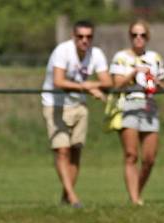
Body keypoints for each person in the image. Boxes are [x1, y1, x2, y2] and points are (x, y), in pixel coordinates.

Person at [41, 20, 112, 208]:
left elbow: (107, 81)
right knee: (62, 150)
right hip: (55, 104)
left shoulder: (96, 54)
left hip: (79, 105)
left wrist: (90, 86)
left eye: (89, 37)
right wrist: (86, 87)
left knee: (76, 151)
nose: (84, 41)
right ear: (73, 37)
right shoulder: (62, 51)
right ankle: (73, 198)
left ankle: (66, 197)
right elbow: (58, 81)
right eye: (80, 36)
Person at [110, 20, 164, 206]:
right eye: (134, 35)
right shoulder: (121, 57)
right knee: (131, 155)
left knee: (149, 158)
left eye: (142, 35)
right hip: (128, 105)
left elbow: (161, 84)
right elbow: (116, 84)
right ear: (130, 36)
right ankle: (135, 200)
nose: (138, 38)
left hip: (149, 107)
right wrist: (133, 73)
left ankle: (136, 193)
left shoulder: (155, 57)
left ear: (147, 37)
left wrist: (157, 84)